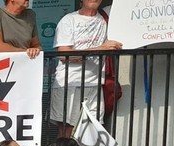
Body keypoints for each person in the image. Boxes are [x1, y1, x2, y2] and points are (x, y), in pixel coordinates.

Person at [49, 0, 122, 137]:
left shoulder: (105, 17)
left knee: (92, 132)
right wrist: (100, 49)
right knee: (67, 132)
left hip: (94, 84)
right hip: (70, 83)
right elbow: (64, 55)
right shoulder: (69, 20)